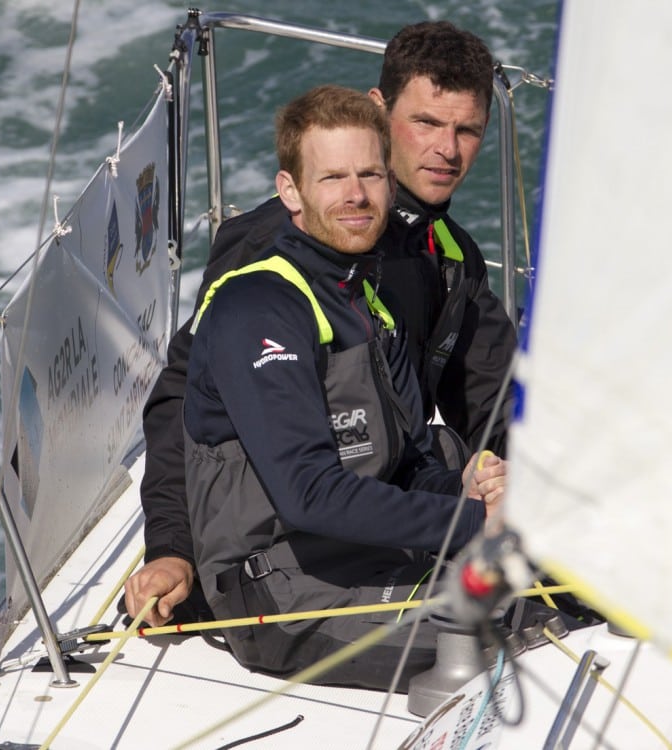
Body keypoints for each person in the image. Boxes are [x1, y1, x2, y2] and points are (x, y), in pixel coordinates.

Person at [125, 21, 517, 628]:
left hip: (389, 499)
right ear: (379, 113)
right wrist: (172, 547)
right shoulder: (277, 253)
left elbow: (488, 397)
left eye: (467, 130)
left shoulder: (448, 257)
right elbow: (183, 401)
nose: (447, 149)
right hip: (287, 541)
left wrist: (531, 489)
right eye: (427, 124)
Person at [183, 84, 507, 689]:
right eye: (332, 177)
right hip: (277, 596)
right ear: (291, 192)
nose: (356, 194)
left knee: (549, 576)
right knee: (506, 622)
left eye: (370, 174)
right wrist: (468, 523)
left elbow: (404, 461)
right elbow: (309, 494)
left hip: (360, 555)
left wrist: (467, 491)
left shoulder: (365, 299)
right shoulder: (259, 308)